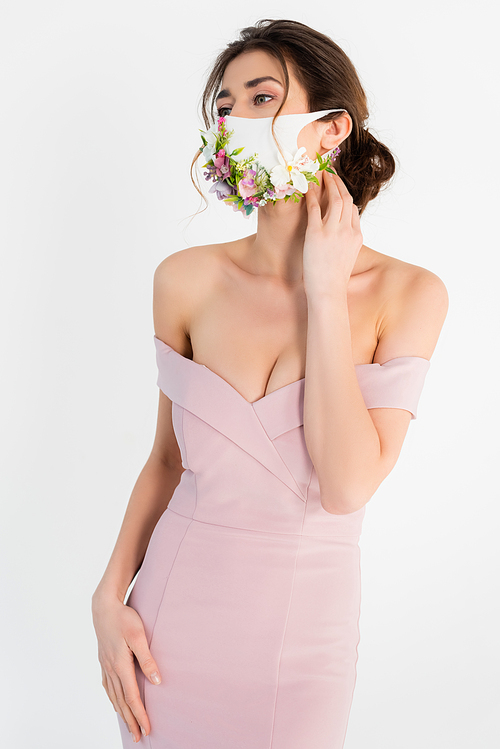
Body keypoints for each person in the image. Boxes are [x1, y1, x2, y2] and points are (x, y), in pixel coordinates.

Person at [91, 18, 448, 748]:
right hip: (170, 622)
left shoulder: (409, 293)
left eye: (261, 99)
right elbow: (167, 459)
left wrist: (324, 291)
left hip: (300, 637)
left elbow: (347, 485)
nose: (234, 122)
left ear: (331, 128)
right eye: (224, 107)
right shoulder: (185, 279)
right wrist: (106, 593)